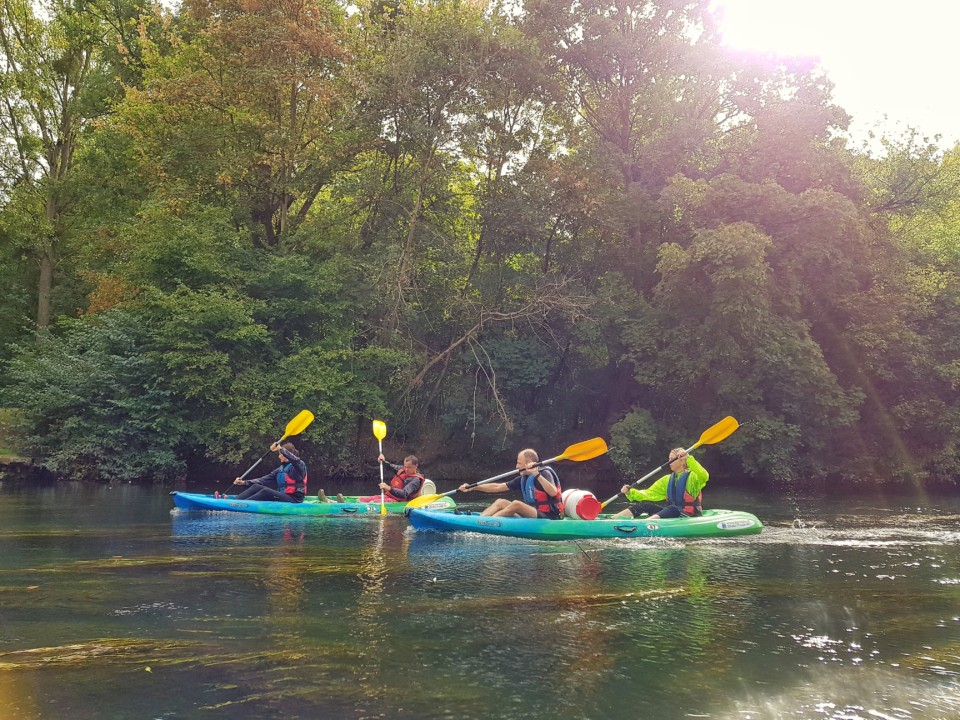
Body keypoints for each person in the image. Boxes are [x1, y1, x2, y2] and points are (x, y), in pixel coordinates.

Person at [458, 449, 563, 519]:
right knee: (501, 502)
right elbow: (497, 487)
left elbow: (553, 492)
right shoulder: (523, 478)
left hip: (549, 517)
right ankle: (481, 520)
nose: (516, 467)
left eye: (519, 463)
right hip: (533, 515)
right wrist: (473, 487)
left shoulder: (544, 473)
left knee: (516, 504)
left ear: (529, 462)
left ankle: (487, 523)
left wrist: (536, 474)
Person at [612, 448, 708, 519]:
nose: (669, 462)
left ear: (683, 461)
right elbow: (649, 494)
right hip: (673, 514)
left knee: (673, 508)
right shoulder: (667, 480)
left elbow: (704, 476)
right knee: (646, 505)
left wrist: (689, 459)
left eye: (672, 459)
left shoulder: (693, 477)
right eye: (669, 459)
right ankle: (612, 520)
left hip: (689, 516)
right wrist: (630, 492)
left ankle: (642, 525)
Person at [231, 442, 308, 503]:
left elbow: (296, 461)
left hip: (294, 499)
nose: (279, 456)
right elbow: (264, 480)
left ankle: (241, 505)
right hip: (283, 496)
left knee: (266, 492)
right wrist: (244, 482)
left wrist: (281, 449)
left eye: (280, 454)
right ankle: (234, 502)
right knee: (256, 487)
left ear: (286, 455)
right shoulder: (281, 469)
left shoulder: (299, 466)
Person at [357, 454, 425, 503]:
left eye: (409, 467)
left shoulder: (415, 480)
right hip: (390, 496)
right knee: (363, 500)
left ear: (416, 466)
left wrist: (389, 488)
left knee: (373, 502)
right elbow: (391, 467)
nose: (406, 469)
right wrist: (383, 461)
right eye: (405, 466)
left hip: (399, 501)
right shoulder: (403, 470)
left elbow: (404, 494)